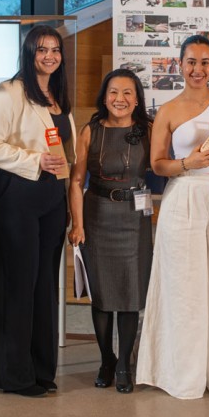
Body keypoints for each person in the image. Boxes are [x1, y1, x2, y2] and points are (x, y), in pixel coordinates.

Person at [136, 35, 209, 399]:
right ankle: (182, 373)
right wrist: (188, 163)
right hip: (183, 196)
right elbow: (157, 164)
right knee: (183, 286)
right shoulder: (168, 110)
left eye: (205, 62)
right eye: (191, 62)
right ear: (179, 64)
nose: (198, 69)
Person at [0, 25, 76, 397]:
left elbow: (64, 153)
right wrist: (36, 160)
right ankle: (14, 376)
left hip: (51, 196)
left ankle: (41, 371)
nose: (50, 56)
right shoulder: (9, 91)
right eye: (42, 50)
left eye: (55, 50)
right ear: (29, 52)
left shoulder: (57, 96)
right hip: (15, 194)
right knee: (17, 286)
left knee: (43, 287)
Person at [68, 69, 153, 394]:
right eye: (113, 92)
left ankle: (124, 366)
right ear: (104, 97)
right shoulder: (90, 130)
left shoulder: (150, 128)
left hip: (135, 217)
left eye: (128, 93)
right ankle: (106, 358)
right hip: (97, 215)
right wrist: (77, 224)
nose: (120, 99)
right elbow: (76, 181)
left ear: (137, 98)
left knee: (130, 294)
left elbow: (163, 164)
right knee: (102, 296)